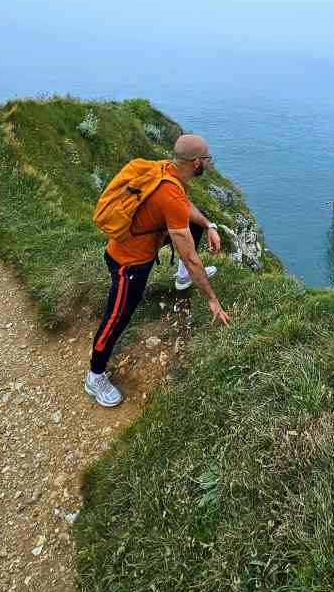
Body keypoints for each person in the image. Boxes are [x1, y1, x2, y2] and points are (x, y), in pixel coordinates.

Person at [84, 134, 230, 407]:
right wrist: (211, 299)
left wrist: (209, 225)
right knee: (117, 317)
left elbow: (183, 208)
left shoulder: (166, 170)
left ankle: (182, 280)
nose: (209, 164)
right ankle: (95, 375)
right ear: (196, 162)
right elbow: (190, 256)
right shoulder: (169, 195)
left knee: (195, 223)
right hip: (128, 263)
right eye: (207, 160)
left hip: (137, 245)